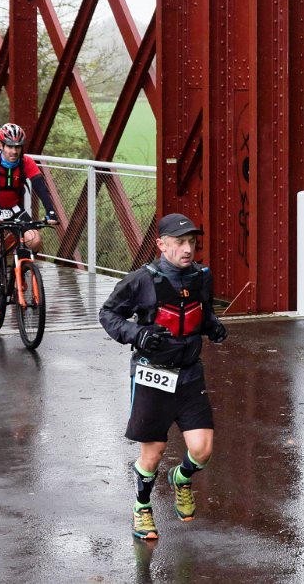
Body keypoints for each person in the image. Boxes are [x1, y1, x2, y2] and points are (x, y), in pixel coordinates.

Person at [99, 213, 228, 540]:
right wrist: (137, 333)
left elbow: (203, 311)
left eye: (192, 242)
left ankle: (181, 479)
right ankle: (142, 507)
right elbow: (108, 313)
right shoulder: (141, 281)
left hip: (189, 375)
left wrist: (212, 326)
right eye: (180, 242)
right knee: (153, 452)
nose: (188, 249)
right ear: (161, 244)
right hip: (152, 375)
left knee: (202, 451)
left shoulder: (201, 277)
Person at [0, 123, 58, 316]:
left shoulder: (26, 162)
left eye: (18, 147)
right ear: (1, 146)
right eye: (10, 146)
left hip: (15, 210)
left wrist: (51, 211)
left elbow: (40, 187)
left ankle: (18, 271)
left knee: (34, 241)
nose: (14, 151)